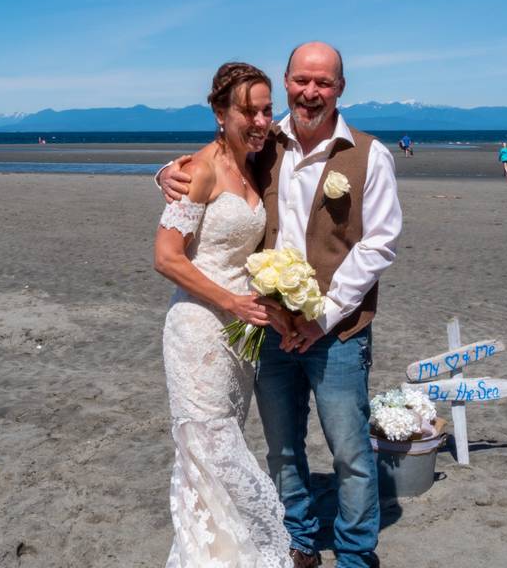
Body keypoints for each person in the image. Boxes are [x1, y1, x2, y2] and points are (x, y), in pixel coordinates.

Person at [158, 42, 402, 568]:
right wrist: (166, 174)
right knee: (283, 449)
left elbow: (379, 243)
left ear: (340, 88)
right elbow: (211, 163)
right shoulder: (264, 141)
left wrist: (323, 316)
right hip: (265, 329)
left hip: (335, 332)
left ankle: (357, 554)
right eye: (302, 81)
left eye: (324, 82)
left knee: (351, 452)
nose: (310, 92)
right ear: (289, 81)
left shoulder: (369, 155)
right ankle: (299, 541)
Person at [154, 62, 292, 567]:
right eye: (246, 111)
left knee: (222, 451)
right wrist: (231, 301)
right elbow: (166, 256)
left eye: (265, 109)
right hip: (199, 331)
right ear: (219, 112)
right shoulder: (202, 169)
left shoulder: (253, 161)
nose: (259, 121)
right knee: (211, 454)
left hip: (241, 338)